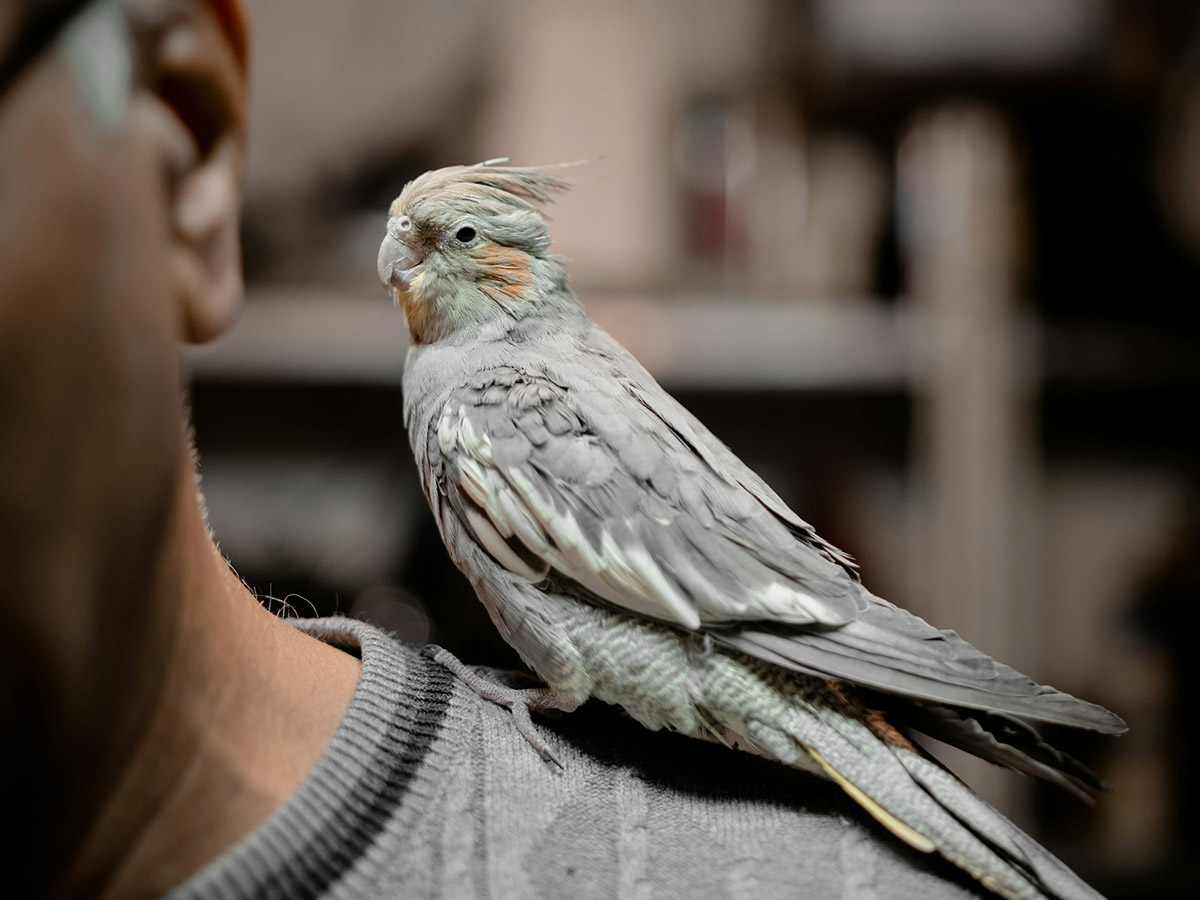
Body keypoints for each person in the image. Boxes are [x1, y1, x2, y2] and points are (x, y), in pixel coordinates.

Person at [0, 2, 1000, 897]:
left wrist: (546, 702)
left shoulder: (503, 399)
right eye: (409, 236)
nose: (404, 259)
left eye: (458, 240)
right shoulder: (465, 380)